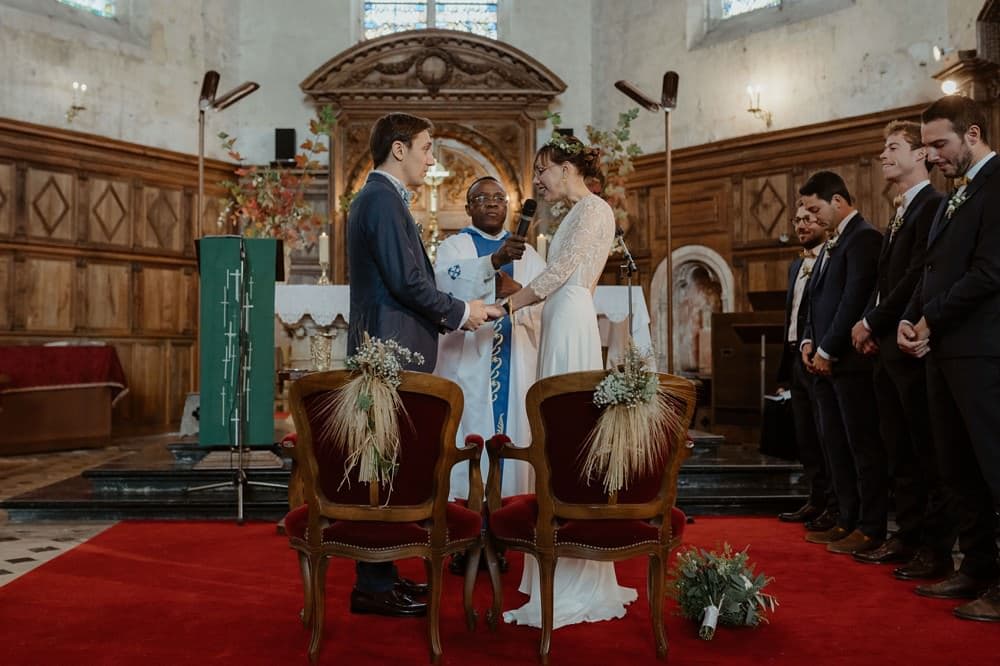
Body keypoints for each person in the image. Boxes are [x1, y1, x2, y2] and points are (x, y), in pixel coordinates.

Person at [345, 112, 502, 618]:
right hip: (390, 350)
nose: (432, 159)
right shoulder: (382, 201)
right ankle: (372, 585)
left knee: (389, 467)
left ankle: (383, 573)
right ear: (398, 149)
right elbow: (406, 282)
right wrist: (461, 312)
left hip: (394, 346)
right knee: (381, 466)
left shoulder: (383, 200)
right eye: (427, 148)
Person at [497, 135, 627, 629]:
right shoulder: (579, 212)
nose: (538, 181)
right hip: (561, 315)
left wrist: (507, 304)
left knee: (563, 429)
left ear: (567, 167)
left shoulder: (593, 210)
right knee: (551, 429)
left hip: (569, 315)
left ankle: (574, 567)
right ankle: (554, 556)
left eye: (543, 170)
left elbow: (557, 277)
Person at [899, 95, 1000, 621]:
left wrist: (930, 319)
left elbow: (989, 272)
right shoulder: (957, 194)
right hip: (945, 353)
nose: (932, 155)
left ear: (974, 134)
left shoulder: (997, 183)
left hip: (983, 352)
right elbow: (935, 268)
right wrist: (911, 320)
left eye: (940, 144)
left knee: (993, 468)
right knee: (957, 467)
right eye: (927, 146)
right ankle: (977, 566)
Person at [849, 121, 954, 576]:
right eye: (883, 148)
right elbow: (885, 278)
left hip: (911, 343)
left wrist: (874, 320)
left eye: (893, 148)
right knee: (897, 447)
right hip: (888, 345)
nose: (883, 156)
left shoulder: (933, 206)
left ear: (921, 155)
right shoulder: (898, 211)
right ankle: (906, 535)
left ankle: (934, 546)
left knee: (923, 447)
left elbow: (916, 275)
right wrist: (874, 325)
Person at [433, 176, 546, 573]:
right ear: (469, 208)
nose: (492, 204)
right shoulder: (454, 246)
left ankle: (501, 535)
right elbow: (442, 287)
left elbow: (546, 302)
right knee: (470, 444)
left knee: (512, 443)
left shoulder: (530, 253)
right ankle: (465, 538)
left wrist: (517, 289)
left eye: (499, 198)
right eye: (482, 199)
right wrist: (492, 264)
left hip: (516, 362)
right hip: (471, 362)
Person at [798, 171, 887, 556]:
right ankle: (845, 519)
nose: (812, 218)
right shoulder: (835, 242)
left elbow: (853, 300)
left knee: (861, 447)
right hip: (825, 361)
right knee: (835, 446)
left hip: (849, 363)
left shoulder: (863, 237)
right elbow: (817, 302)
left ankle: (870, 526)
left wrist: (828, 349)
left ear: (837, 201)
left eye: (816, 209)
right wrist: (808, 342)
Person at [775, 204, 836, 527]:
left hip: (820, 354)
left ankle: (835, 504)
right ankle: (816, 498)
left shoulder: (831, 259)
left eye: (808, 219)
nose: (802, 225)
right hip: (795, 354)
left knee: (827, 434)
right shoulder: (796, 265)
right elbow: (792, 316)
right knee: (806, 436)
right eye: (797, 220)